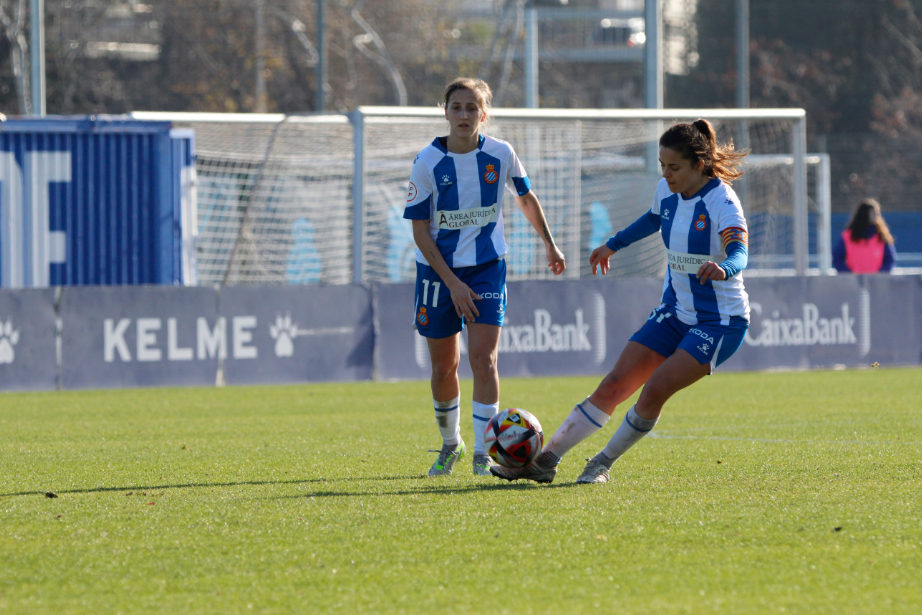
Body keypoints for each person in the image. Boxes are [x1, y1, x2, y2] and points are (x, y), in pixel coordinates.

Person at [492, 119, 750, 484]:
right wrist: (613, 244)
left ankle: (601, 464)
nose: (666, 174)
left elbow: (740, 251)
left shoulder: (722, 201)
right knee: (614, 384)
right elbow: (652, 219)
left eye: (674, 167)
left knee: (654, 389)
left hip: (719, 322)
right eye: (662, 165)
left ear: (699, 164)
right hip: (675, 312)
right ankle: (545, 462)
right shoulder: (666, 190)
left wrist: (725, 268)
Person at [403, 77, 566, 477]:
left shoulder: (501, 154)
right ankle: (450, 444)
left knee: (484, 358)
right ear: (445, 112)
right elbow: (420, 231)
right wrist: (453, 284)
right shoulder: (427, 161)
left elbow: (525, 198)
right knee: (444, 367)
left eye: (471, 108)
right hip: (438, 273)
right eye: (456, 107)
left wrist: (550, 244)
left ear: (484, 114)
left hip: (487, 267)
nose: (464, 115)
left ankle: (483, 453)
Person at [833, 198, 897, 274]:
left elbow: (890, 260)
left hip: (876, 280)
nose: (876, 216)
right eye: (873, 213)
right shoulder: (848, 236)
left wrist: (879, 275)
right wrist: (849, 275)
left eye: (877, 213)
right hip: (854, 280)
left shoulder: (882, 236)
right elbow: (837, 259)